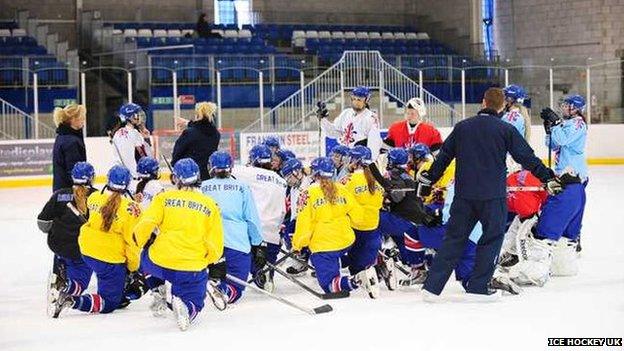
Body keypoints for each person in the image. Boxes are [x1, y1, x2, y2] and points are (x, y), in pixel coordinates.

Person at [416, 87, 562, 302]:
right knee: (491, 239)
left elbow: (443, 158)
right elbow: (526, 157)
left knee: (453, 239)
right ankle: (478, 287)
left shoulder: (462, 127)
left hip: (464, 195)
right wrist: (547, 177)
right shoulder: (505, 129)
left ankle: (431, 289)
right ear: (502, 106)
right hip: (492, 197)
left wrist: (429, 179)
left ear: (483, 103)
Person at [133, 158, 224, 331]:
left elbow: (146, 224)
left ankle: (157, 288)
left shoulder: (164, 198)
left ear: (176, 178)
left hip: (159, 262)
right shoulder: (210, 205)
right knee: (196, 301)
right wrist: (207, 261)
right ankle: (187, 308)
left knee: (144, 258)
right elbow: (215, 243)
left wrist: (138, 242)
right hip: (190, 267)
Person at [52, 165, 141, 317]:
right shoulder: (131, 209)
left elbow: (106, 208)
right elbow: (131, 242)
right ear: (127, 184)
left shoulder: (93, 198)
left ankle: (66, 284)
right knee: (109, 302)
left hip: (87, 251)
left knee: (94, 275)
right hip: (109, 258)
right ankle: (71, 300)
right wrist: (133, 267)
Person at [517, 94, 588, 283]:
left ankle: (537, 268)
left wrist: (556, 123)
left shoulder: (578, 123)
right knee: (566, 216)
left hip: (572, 177)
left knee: (558, 214)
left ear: (576, 108)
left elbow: (564, 140)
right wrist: (550, 129)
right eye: (563, 106)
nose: (564, 109)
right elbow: (552, 144)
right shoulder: (567, 124)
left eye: (567, 106)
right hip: (563, 175)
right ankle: (564, 263)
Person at [292, 157, 377, 298]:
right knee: (338, 258)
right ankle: (375, 264)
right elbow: (358, 216)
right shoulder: (341, 188)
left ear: (315, 173)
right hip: (346, 241)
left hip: (324, 245)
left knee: (329, 286)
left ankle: (357, 280)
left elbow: (304, 224)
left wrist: (298, 245)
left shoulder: (307, 193)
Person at [200, 151, 265, 304]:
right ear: (231, 167)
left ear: (211, 167)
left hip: (208, 244)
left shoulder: (202, 187)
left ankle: (212, 282)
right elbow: (252, 219)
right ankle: (225, 292)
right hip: (237, 242)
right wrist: (258, 244)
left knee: (211, 272)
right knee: (237, 285)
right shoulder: (242, 187)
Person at [38, 162, 96, 316]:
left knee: (61, 251)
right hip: (82, 251)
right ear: (91, 178)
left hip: (59, 247)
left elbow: (43, 223)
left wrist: (59, 232)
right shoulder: (97, 197)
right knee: (78, 287)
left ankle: (59, 275)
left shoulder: (59, 195)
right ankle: (65, 285)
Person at [232, 144, 287, 291]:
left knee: (249, 260)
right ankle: (266, 274)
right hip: (274, 235)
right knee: (267, 262)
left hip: (254, 235)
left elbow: (223, 169)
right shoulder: (281, 180)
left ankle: (259, 273)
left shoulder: (249, 172)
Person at [340, 146, 384, 298]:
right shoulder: (377, 177)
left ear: (356, 161)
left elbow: (338, 201)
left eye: (351, 158)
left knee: (351, 261)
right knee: (362, 258)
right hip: (373, 226)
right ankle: (377, 264)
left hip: (354, 227)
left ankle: (361, 272)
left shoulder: (349, 179)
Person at [318, 86, 383, 160]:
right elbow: (333, 133)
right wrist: (323, 120)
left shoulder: (371, 117)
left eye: (359, 100)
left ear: (366, 100)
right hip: (343, 157)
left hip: (357, 159)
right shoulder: (346, 113)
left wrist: (370, 161)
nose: (356, 102)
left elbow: (374, 142)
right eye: (354, 99)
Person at [280, 158, 315, 276]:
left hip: (311, 220)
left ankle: (308, 260)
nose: (287, 180)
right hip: (299, 219)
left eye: (289, 177)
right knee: (288, 231)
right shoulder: (294, 187)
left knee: (294, 233)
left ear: (297, 172)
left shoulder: (309, 183)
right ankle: (301, 259)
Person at [171, 102, 221, 181]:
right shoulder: (216, 134)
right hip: (208, 176)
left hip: (190, 176)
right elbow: (202, 127)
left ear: (197, 115)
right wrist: (188, 123)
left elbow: (177, 153)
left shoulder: (189, 133)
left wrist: (174, 166)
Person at [111, 103, 153, 177]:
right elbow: (128, 160)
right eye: (137, 114)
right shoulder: (123, 134)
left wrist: (146, 139)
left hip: (138, 177)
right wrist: (136, 177)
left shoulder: (136, 132)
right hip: (130, 179)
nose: (140, 117)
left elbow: (146, 156)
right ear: (129, 117)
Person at [52, 104, 87, 191]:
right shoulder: (71, 142)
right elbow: (73, 171)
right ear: (73, 119)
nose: (84, 120)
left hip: (61, 189)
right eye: (82, 117)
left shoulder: (64, 136)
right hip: (68, 191)